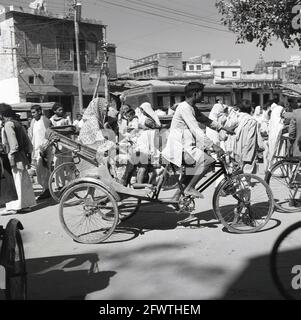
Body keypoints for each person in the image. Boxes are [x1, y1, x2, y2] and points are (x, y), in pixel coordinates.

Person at [162, 82, 234, 201]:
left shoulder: (192, 108)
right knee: (208, 161)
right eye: (202, 93)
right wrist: (214, 146)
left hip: (186, 147)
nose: (203, 96)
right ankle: (190, 188)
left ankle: (176, 198)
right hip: (179, 148)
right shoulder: (184, 108)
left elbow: (205, 120)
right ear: (196, 94)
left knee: (192, 171)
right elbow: (196, 130)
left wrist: (222, 128)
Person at [0, 103, 36, 214]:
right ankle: (24, 205)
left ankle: (14, 207)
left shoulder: (8, 124)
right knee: (22, 181)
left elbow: (13, 144)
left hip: (14, 157)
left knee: (15, 181)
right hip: (22, 156)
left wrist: (11, 155)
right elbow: (28, 142)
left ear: (2, 114)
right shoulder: (17, 123)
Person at [28, 105, 52, 200]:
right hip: (36, 150)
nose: (32, 114)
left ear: (39, 111)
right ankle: (45, 189)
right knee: (38, 172)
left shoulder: (45, 120)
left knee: (45, 171)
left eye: (34, 112)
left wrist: (45, 148)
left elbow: (50, 135)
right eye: (32, 112)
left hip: (45, 149)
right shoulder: (33, 122)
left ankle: (47, 190)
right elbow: (32, 137)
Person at [233, 100, 264, 174]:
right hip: (247, 149)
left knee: (237, 173)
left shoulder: (236, 117)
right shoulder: (251, 120)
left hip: (235, 149)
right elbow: (251, 139)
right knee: (246, 173)